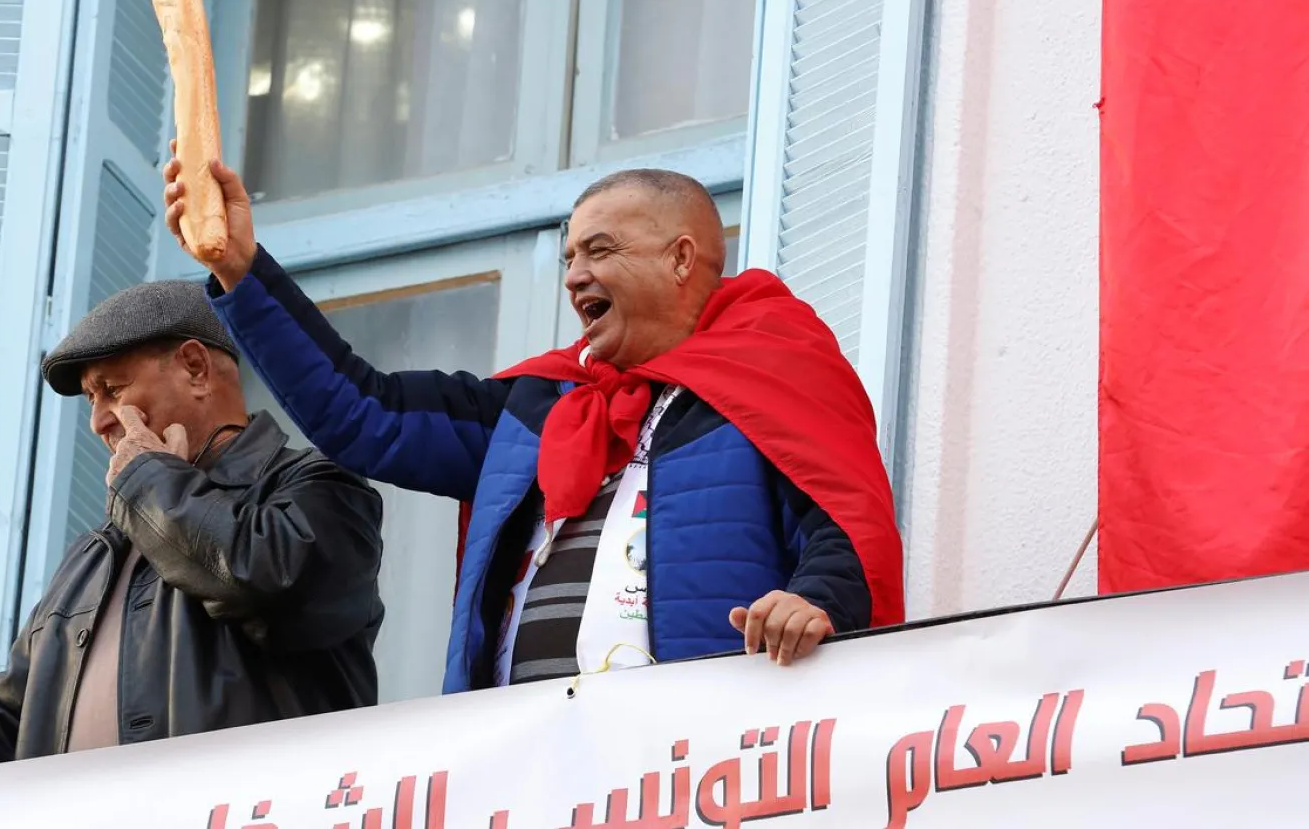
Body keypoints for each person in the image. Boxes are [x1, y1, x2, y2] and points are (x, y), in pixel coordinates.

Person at [164, 152, 903, 693]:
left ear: (682, 259)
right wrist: (241, 269)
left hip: (700, 765)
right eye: (569, 256)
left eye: (601, 250)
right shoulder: (535, 404)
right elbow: (365, 413)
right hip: (533, 770)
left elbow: (844, 534)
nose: (576, 274)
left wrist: (813, 604)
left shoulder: (775, 374)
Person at [0, 281, 384, 797]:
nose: (99, 421)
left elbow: (274, 586)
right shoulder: (92, 559)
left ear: (194, 367)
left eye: (112, 390)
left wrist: (149, 483)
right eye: (90, 400)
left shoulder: (317, 487)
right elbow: (14, 723)